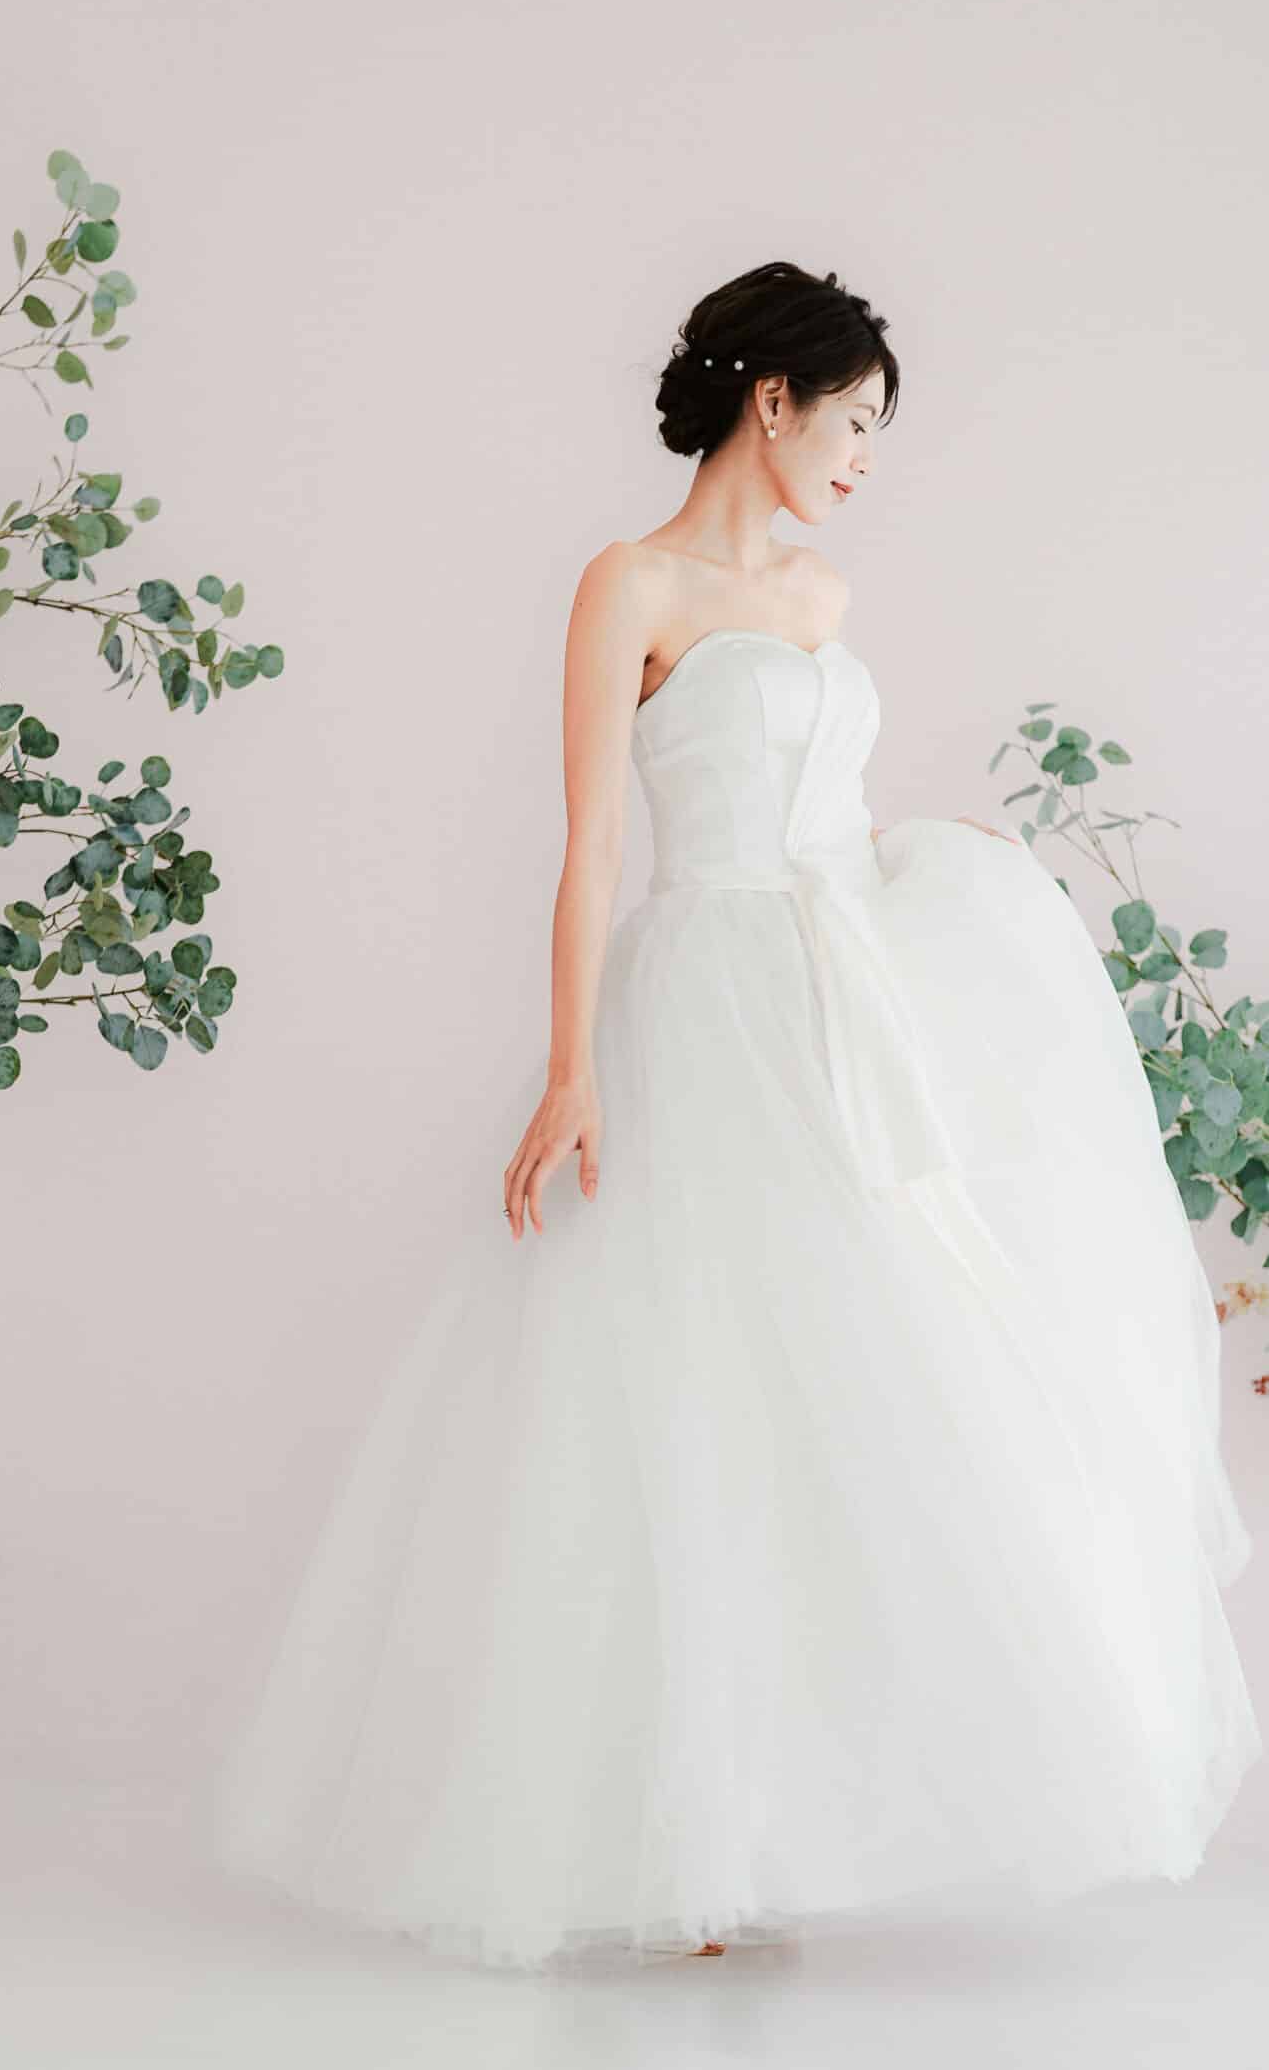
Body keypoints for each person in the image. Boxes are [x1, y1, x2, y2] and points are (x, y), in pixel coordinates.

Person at [211, 259, 1261, 1975]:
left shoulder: (825, 597)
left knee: (877, 1370)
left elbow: (827, 820)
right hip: (702, 1000)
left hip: (841, 993)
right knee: (691, 1390)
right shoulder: (629, 583)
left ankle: (783, 1819)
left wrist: (949, 879)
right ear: (773, 401)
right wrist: (569, 1066)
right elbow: (594, 847)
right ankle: (677, 1838)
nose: (864, 459)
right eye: (854, 423)